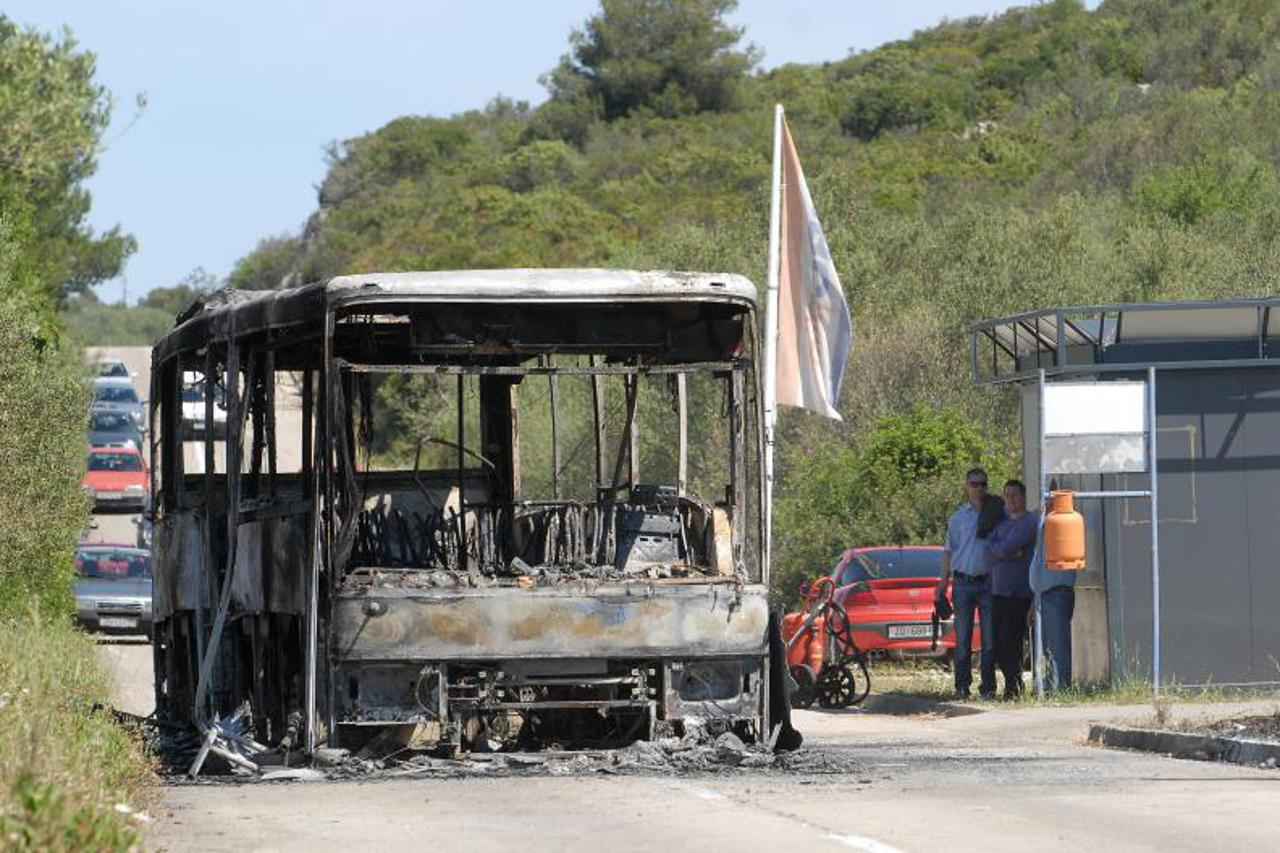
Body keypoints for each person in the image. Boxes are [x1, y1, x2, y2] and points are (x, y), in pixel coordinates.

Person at [936, 467, 996, 700]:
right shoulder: (958, 518)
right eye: (974, 484)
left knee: (989, 639)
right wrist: (942, 584)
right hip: (962, 583)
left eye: (982, 484)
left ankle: (988, 687)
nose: (979, 488)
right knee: (962, 639)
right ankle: (962, 687)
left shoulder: (995, 513)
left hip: (989, 583)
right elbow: (948, 552)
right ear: (966, 486)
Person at [985, 480, 1037, 698]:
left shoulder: (1030, 522)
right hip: (998, 591)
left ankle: (1013, 688)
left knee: (1012, 641)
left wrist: (1003, 551)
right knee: (997, 644)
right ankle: (1010, 683)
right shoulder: (1000, 524)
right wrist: (1005, 553)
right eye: (1006, 495)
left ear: (1023, 497)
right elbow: (988, 553)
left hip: (1020, 592)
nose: (1010, 499)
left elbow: (1008, 546)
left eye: (1014, 495)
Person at [1029, 508, 1078, 691]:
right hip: (1042, 594)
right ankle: (1048, 688)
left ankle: (1060, 690)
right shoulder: (1044, 524)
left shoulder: (1062, 524)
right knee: (1045, 648)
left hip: (1055, 593)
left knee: (1057, 649)